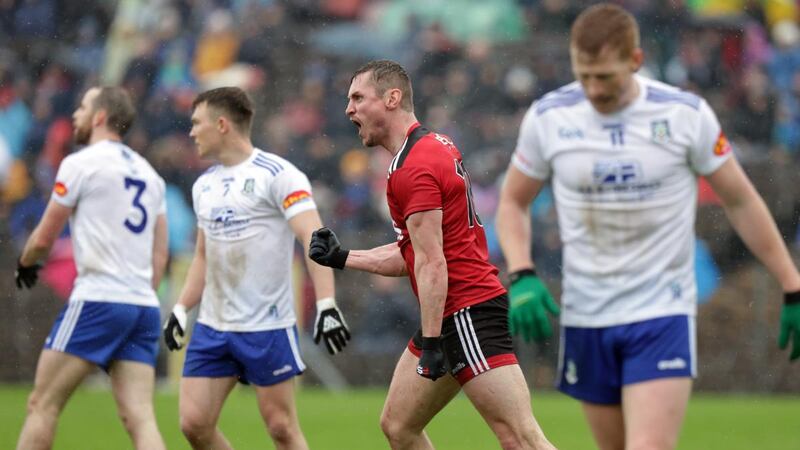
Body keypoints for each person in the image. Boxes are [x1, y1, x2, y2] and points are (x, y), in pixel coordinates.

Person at [494, 4, 800, 450]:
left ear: (635, 61)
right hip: (587, 314)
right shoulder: (548, 118)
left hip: (662, 312)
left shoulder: (683, 115)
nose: (594, 89)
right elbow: (513, 202)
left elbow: (741, 200)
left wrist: (791, 283)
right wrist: (521, 272)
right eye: (585, 76)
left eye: (606, 76)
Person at [308, 60, 555, 450]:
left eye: (357, 98)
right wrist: (342, 257)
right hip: (451, 313)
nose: (348, 109)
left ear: (392, 98)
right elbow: (416, 253)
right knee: (398, 425)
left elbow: (431, 262)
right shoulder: (432, 145)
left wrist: (433, 339)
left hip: (465, 311)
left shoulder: (412, 166)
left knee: (521, 439)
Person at [162, 86, 350, 450]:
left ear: (221, 125)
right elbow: (203, 255)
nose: (191, 132)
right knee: (194, 424)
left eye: (196, 122)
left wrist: (327, 304)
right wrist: (182, 308)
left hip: (267, 325)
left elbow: (316, 241)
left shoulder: (278, 175)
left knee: (281, 427)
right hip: (214, 326)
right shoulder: (204, 186)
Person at [14, 86, 168, 450]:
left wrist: (26, 264)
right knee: (140, 418)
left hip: (98, 299)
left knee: (42, 404)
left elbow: (43, 237)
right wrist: (141, 295)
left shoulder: (80, 163)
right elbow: (159, 254)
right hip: (142, 306)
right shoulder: (150, 173)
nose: (75, 114)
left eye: (82, 107)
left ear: (100, 117)